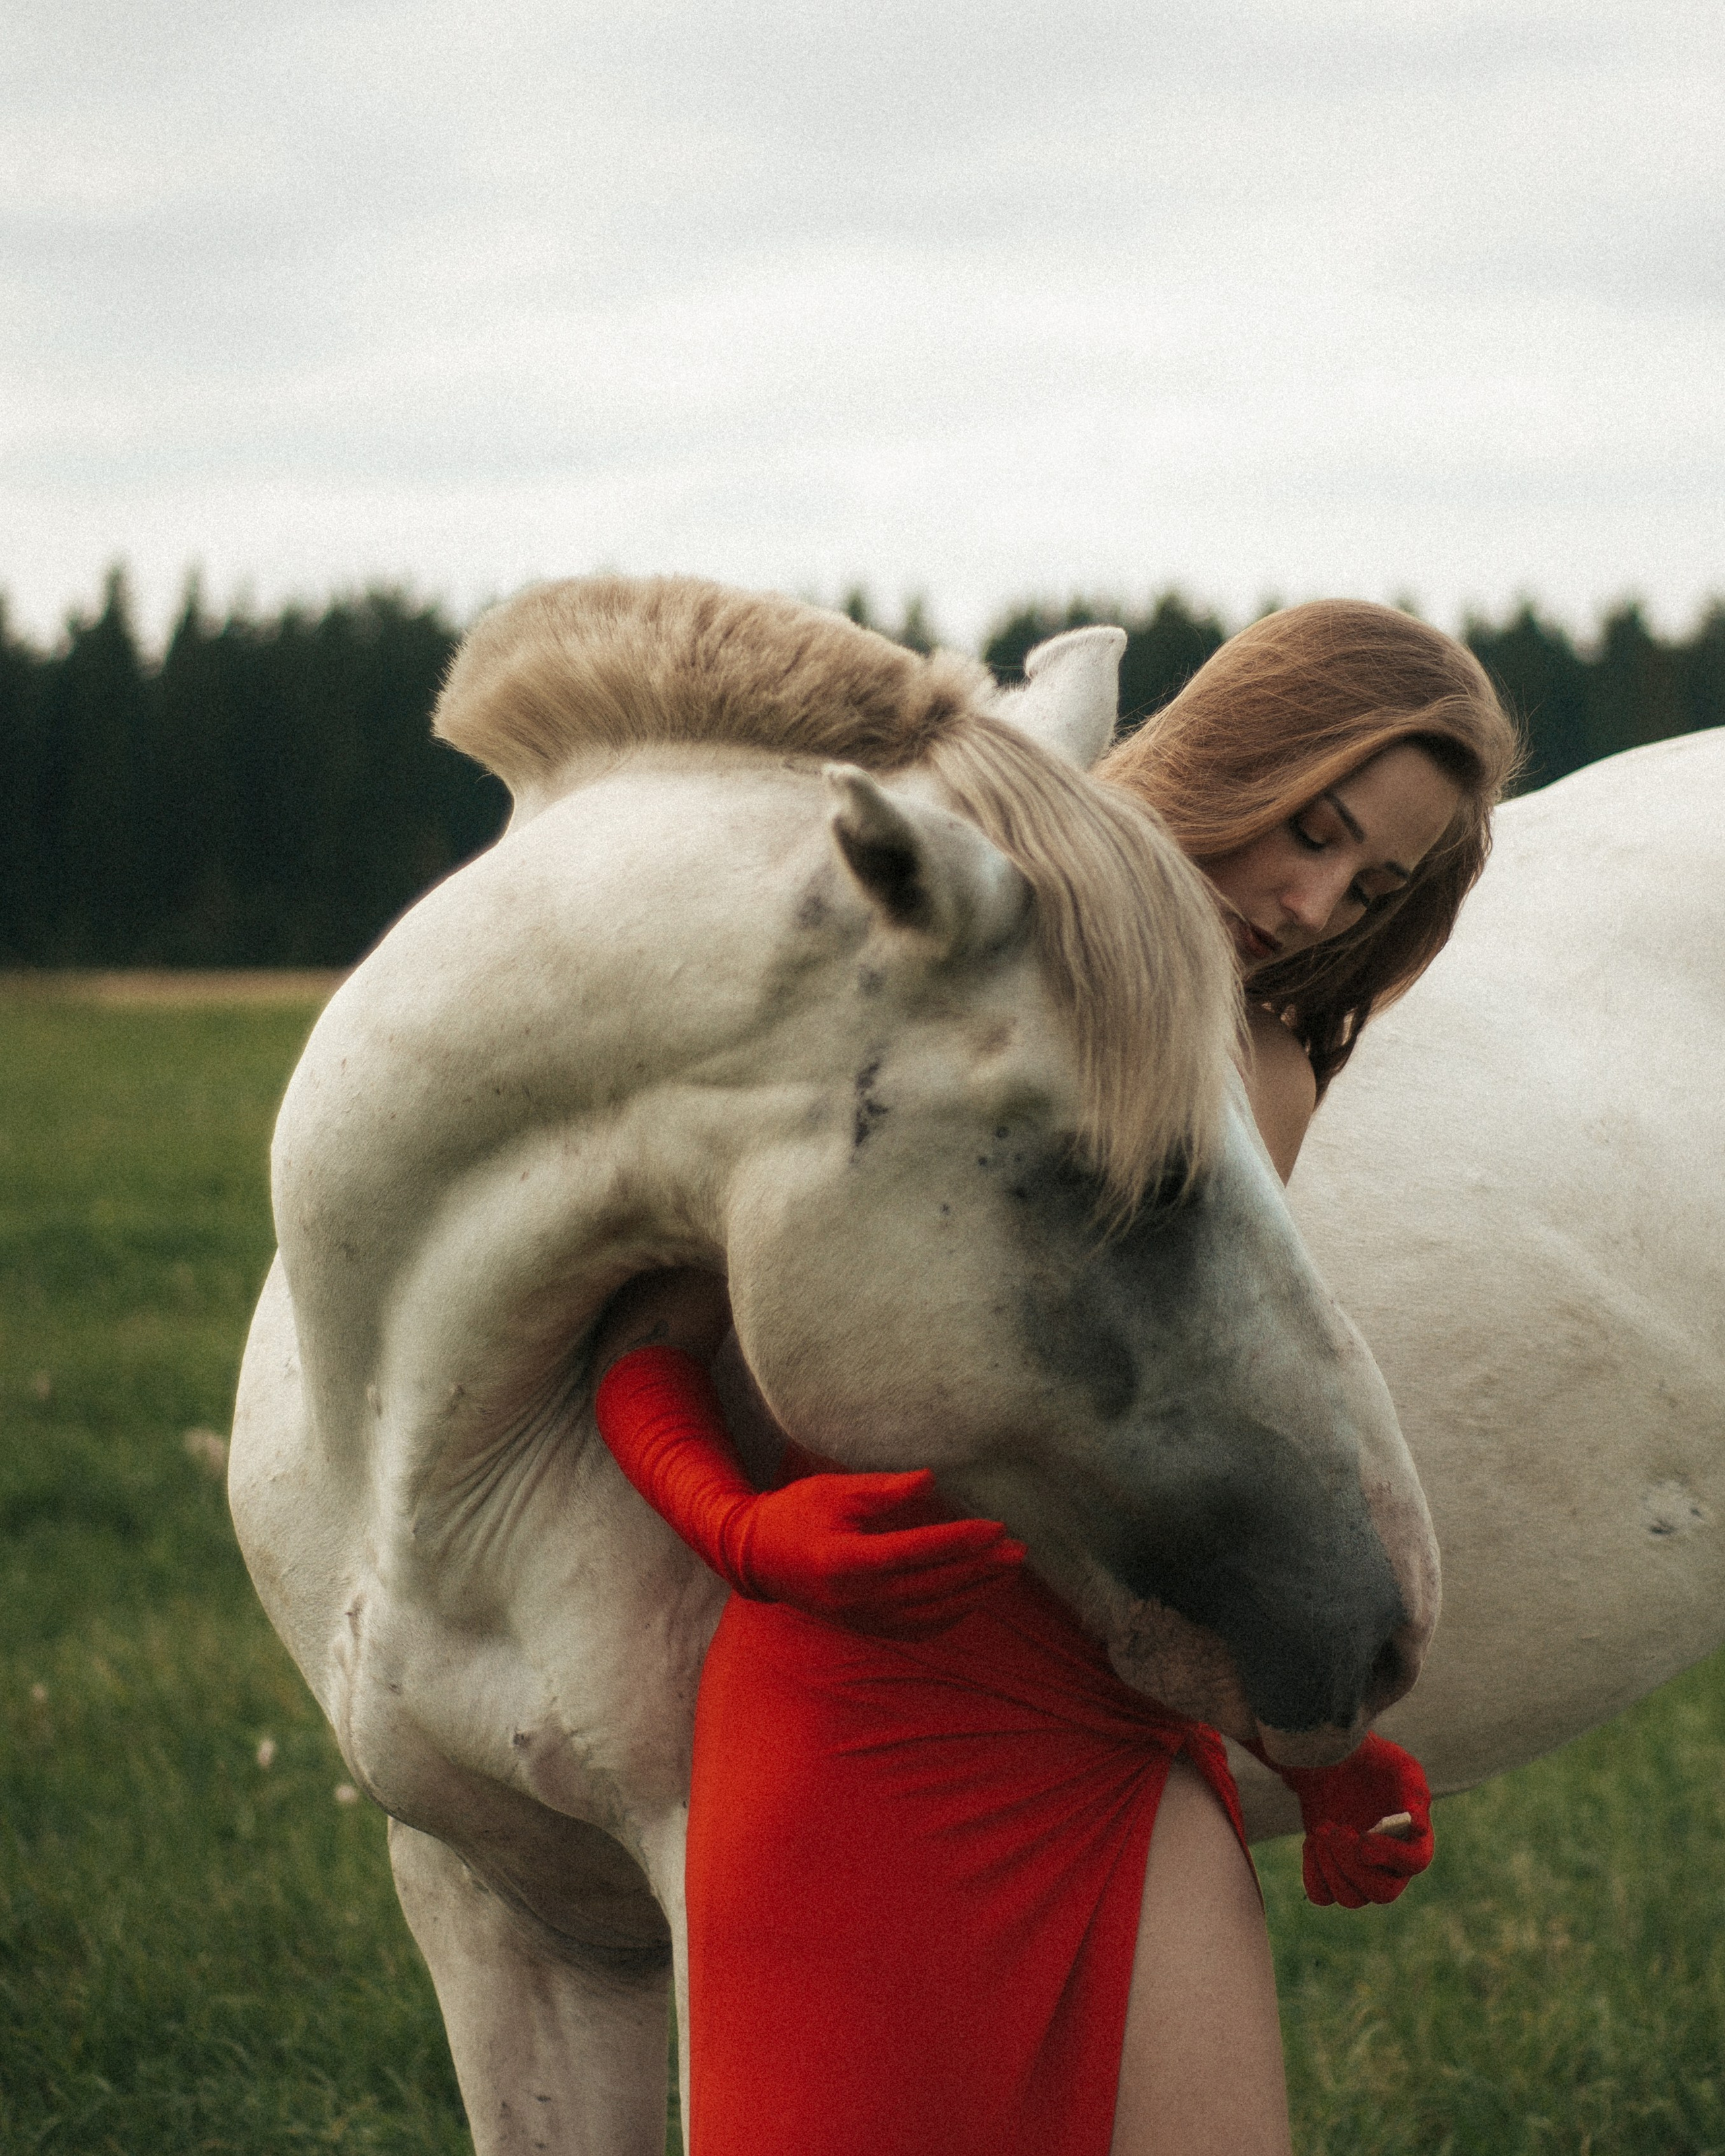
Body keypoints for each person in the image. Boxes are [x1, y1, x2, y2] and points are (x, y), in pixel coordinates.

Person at [595, 601, 1520, 2155]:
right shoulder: (934, 976)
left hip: (1105, 1722)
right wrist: (742, 1534)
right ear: (1244, 746)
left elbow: (1191, 1440)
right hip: (853, 1712)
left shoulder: (1268, 1071)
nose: (1307, 904)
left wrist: (1316, 1731)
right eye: (1311, 828)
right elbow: (648, 1342)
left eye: (1367, 884)